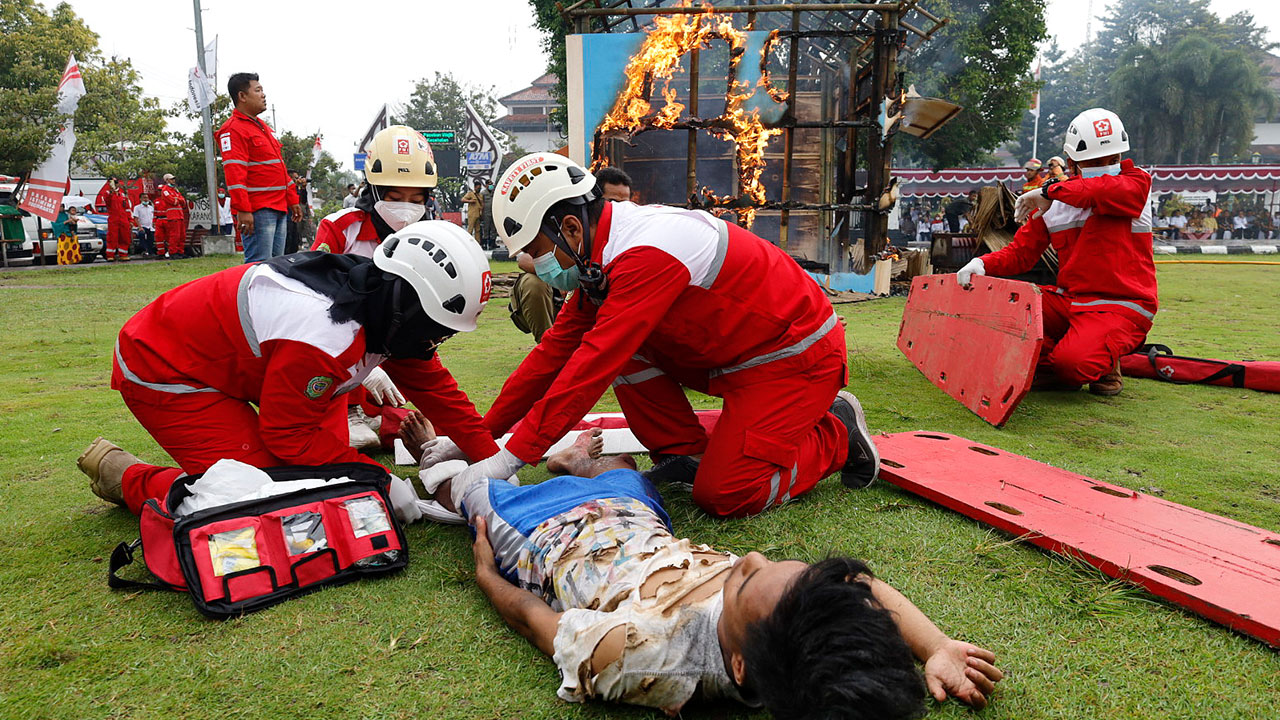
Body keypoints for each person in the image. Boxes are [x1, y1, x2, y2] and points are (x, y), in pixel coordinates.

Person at [418, 424, 1003, 716]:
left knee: (467, 488)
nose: (749, 557)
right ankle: (576, 464)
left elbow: (531, 619)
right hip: (638, 521)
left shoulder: (641, 655)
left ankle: (430, 455)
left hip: (545, 536)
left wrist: (487, 573)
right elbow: (859, 592)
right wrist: (937, 646)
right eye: (775, 564)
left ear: (741, 665)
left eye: (745, 579)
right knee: (625, 469)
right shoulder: (793, 625)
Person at [424, 153, 880, 519]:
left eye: (537, 251)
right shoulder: (599, 260)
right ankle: (683, 451)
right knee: (622, 353)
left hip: (795, 360)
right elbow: (551, 357)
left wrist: (510, 460)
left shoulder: (646, 252)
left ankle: (837, 432)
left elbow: (588, 370)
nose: (535, 263)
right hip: (736, 355)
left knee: (726, 494)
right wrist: (477, 439)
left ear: (570, 228)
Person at [75, 221, 496, 526]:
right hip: (166, 368)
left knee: (334, 481)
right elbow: (288, 437)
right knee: (265, 492)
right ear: (409, 301)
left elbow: (442, 394)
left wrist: (496, 465)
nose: (436, 343)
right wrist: (379, 478)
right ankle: (126, 477)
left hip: (238, 364)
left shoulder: (381, 299)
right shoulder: (326, 335)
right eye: (436, 329)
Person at [958, 108, 1156, 397]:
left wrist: (1049, 191)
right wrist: (981, 263)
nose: (1108, 165)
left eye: (1113, 159)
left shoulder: (1136, 184)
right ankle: (1082, 349)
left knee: (1070, 366)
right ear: (1074, 160)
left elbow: (1096, 192)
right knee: (1000, 309)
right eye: (1096, 161)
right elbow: (1020, 254)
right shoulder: (1053, 199)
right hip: (1071, 302)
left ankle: (1096, 359)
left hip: (1122, 304)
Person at [311, 125, 440, 449]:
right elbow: (314, 306)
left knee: (427, 424)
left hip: (389, 351)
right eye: (396, 197)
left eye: (416, 199)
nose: (406, 207)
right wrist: (359, 370)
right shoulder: (341, 229)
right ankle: (349, 410)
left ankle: (370, 414)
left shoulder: (428, 239)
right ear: (375, 191)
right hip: (333, 350)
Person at [217, 72, 301, 263]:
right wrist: (243, 210)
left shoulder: (262, 128)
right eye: (258, 90)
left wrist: (292, 199)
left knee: (276, 265)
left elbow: (279, 168)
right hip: (258, 210)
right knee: (259, 265)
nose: (263, 95)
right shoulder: (232, 129)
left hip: (278, 207)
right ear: (242, 96)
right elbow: (234, 172)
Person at [508, 250, 562, 342]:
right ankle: (546, 344)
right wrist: (560, 280)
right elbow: (524, 259)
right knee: (532, 283)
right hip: (550, 303)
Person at [100, 177, 133, 262]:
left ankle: (123, 254)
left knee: (125, 237)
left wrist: (130, 220)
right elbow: (107, 200)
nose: (115, 184)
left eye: (116, 182)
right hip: (113, 219)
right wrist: (112, 191)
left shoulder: (122, 195)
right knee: (112, 237)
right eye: (113, 182)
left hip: (123, 219)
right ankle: (110, 255)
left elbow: (127, 208)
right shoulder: (107, 193)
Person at [155, 174, 186, 259]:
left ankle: (180, 252)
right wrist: (178, 199)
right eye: (171, 179)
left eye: (174, 179)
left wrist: (178, 199)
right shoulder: (165, 190)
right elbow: (172, 201)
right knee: (174, 235)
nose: (173, 181)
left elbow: (183, 201)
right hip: (173, 216)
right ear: (167, 180)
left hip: (180, 215)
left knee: (182, 235)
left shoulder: (175, 190)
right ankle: (173, 252)